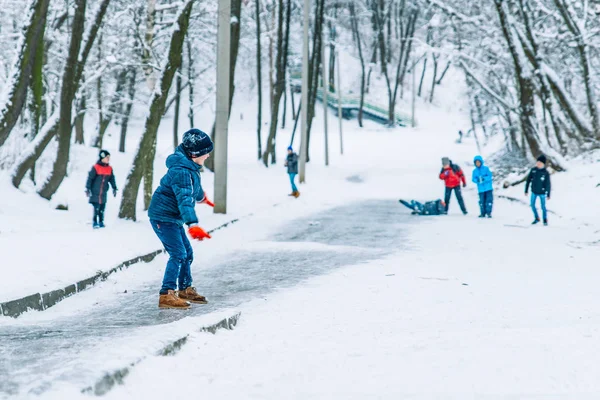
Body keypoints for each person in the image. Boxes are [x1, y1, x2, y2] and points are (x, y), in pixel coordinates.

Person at [148, 128, 215, 309]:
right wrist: (192, 224)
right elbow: (184, 199)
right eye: (206, 152)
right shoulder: (182, 171)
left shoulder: (190, 168)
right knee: (178, 254)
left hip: (172, 218)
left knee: (187, 253)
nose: (208, 155)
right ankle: (166, 294)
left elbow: (193, 189)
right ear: (195, 154)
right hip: (163, 217)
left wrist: (202, 198)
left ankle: (185, 289)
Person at [86, 150, 117, 229]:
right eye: (107, 157)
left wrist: (114, 187)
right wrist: (88, 188)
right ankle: (95, 221)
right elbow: (90, 178)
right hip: (95, 191)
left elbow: (112, 179)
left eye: (109, 157)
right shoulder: (96, 167)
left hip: (104, 191)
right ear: (102, 158)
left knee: (102, 206)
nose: (108, 159)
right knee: (96, 206)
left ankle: (101, 221)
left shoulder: (109, 168)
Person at [525, 154, 551, 226]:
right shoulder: (533, 170)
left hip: (542, 192)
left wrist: (548, 194)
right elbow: (528, 180)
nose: (538, 164)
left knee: (543, 206)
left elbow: (548, 184)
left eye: (540, 163)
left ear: (543, 164)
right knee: (532, 205)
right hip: (534, 191)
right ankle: (537, 217)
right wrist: (526, 190)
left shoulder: (545, 173)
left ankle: (545, 219)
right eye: (537, 162)